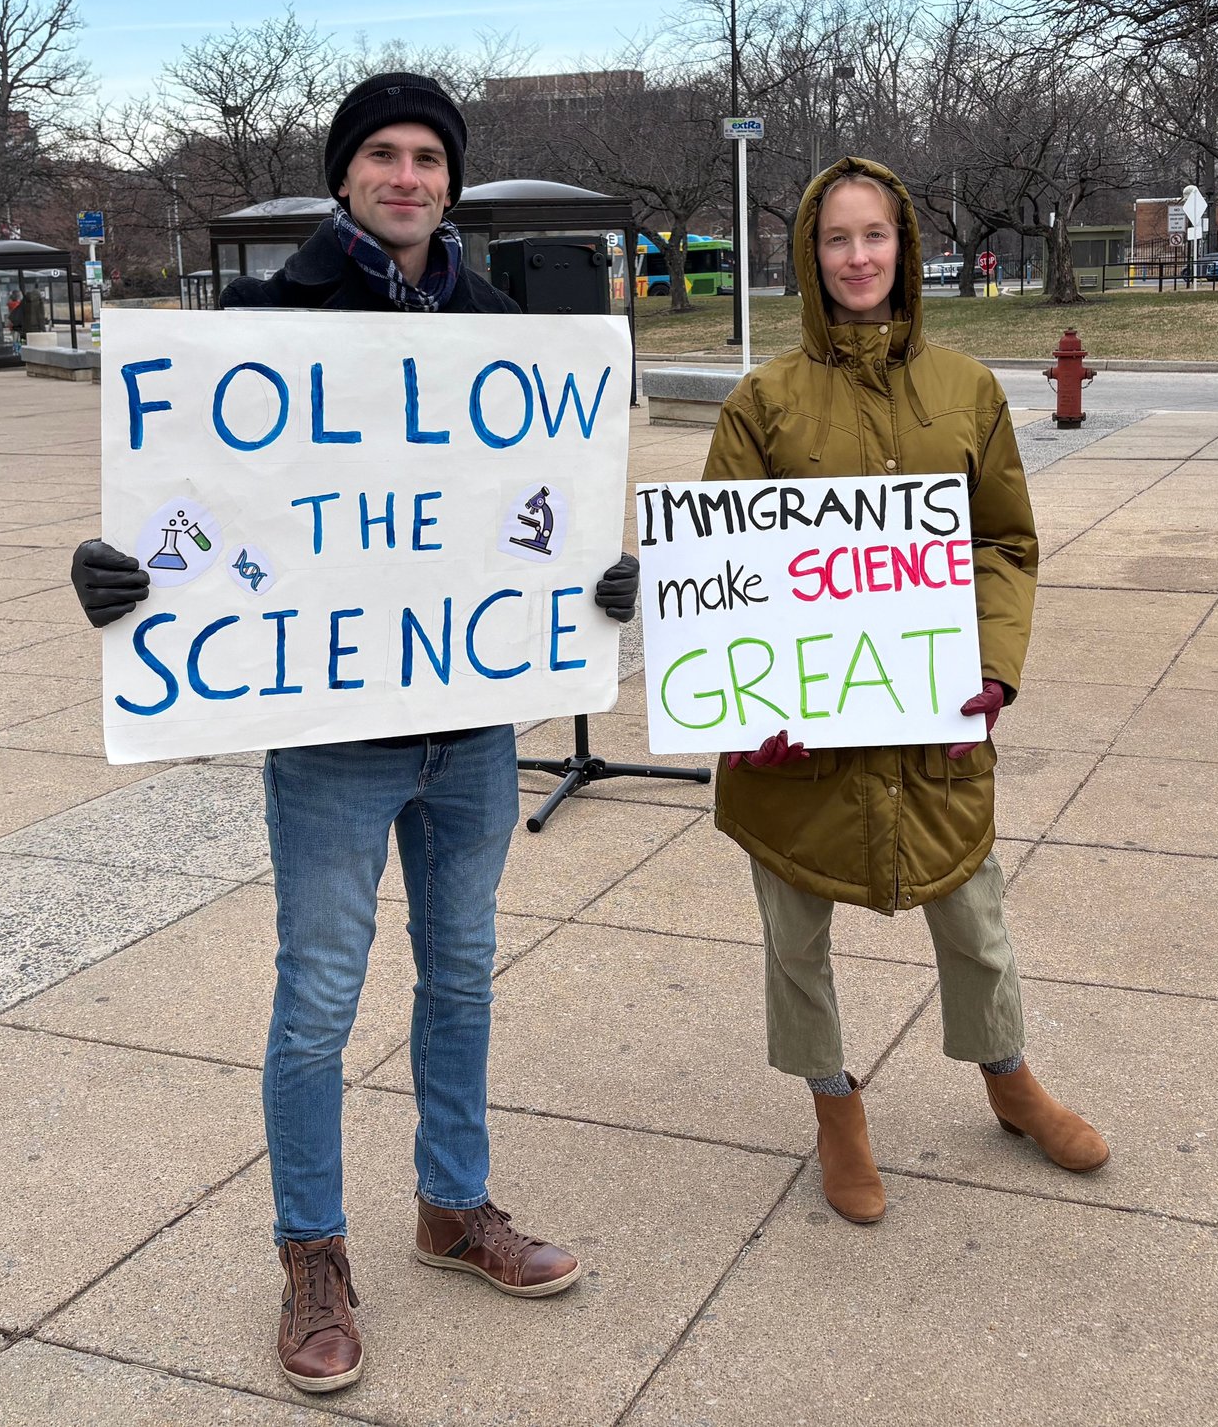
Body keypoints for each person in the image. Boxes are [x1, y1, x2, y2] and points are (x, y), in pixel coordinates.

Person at [69, 72, 641, 1396]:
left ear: (452, 179)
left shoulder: (504, 330)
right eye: (381, 153)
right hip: (333, 732)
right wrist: (121, 573)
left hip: (474, 722)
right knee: (319, 996)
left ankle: (455, 1206)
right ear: (345, 175)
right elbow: (192, 511)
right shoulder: (261, 328)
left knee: (462, 973)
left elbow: (538, 502)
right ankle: (312, 1252)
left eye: (428, 156)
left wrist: (595, 587)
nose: (406, 174)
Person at [702, 157, 1108, 1226]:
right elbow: (726, 577)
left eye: (874, 235)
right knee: (794, 939)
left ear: (905, 246)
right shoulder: (763, 404)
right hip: (798, 734)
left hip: (933, 715)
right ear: (809, 255)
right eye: (836, 239)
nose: (857, 257)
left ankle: (1009, 1079)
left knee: (975, 920)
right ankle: (835, 1107)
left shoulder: (965, 389)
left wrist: (994, 660)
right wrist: (749, 709)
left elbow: (1004, 540)